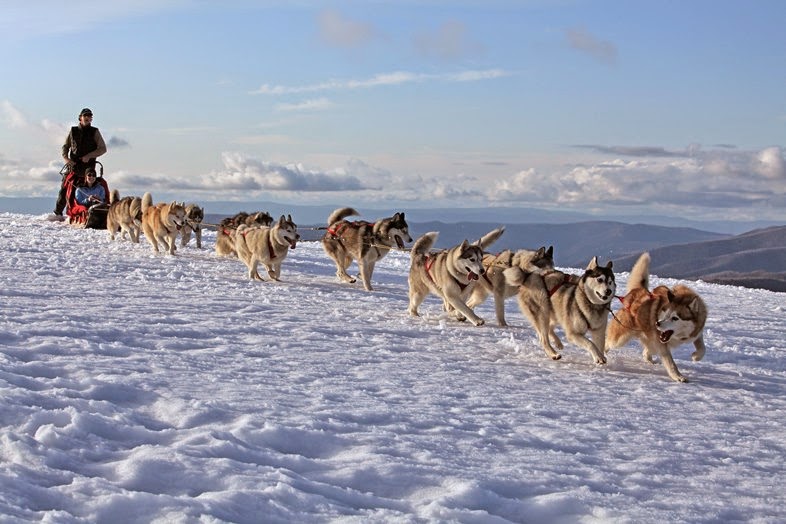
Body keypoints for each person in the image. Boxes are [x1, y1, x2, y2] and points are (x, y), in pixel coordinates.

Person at [52, 107, 107, 217]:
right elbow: (65, 147)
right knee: (64, 190)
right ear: (80, 118)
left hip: (88, 169)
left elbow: (103, 149)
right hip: (73, 167)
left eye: (89, 116)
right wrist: (66, 159)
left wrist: (89, 156)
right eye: (85, 116)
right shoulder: (73, 131)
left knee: (88, 193)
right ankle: (58, 213)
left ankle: (90, 214)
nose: (87, 118)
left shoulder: (95, 132)